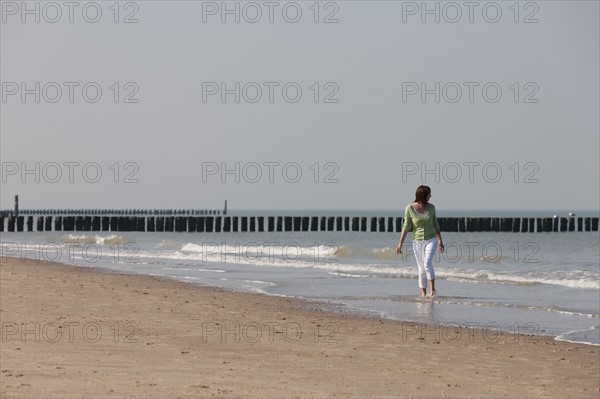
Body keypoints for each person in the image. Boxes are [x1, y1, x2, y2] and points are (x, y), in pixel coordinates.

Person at [396, 185, 445, 298]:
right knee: (421, 268)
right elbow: (406, 226)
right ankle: (423, 293)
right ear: (423, 195)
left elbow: (435, 224)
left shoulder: (432, 208)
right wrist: (400, 243)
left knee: (427, 263)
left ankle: (432, 291)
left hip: (431, 239)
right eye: (429, 194)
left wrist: (440, 241)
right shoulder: (409, 208)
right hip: (417, 242)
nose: (430, 196)